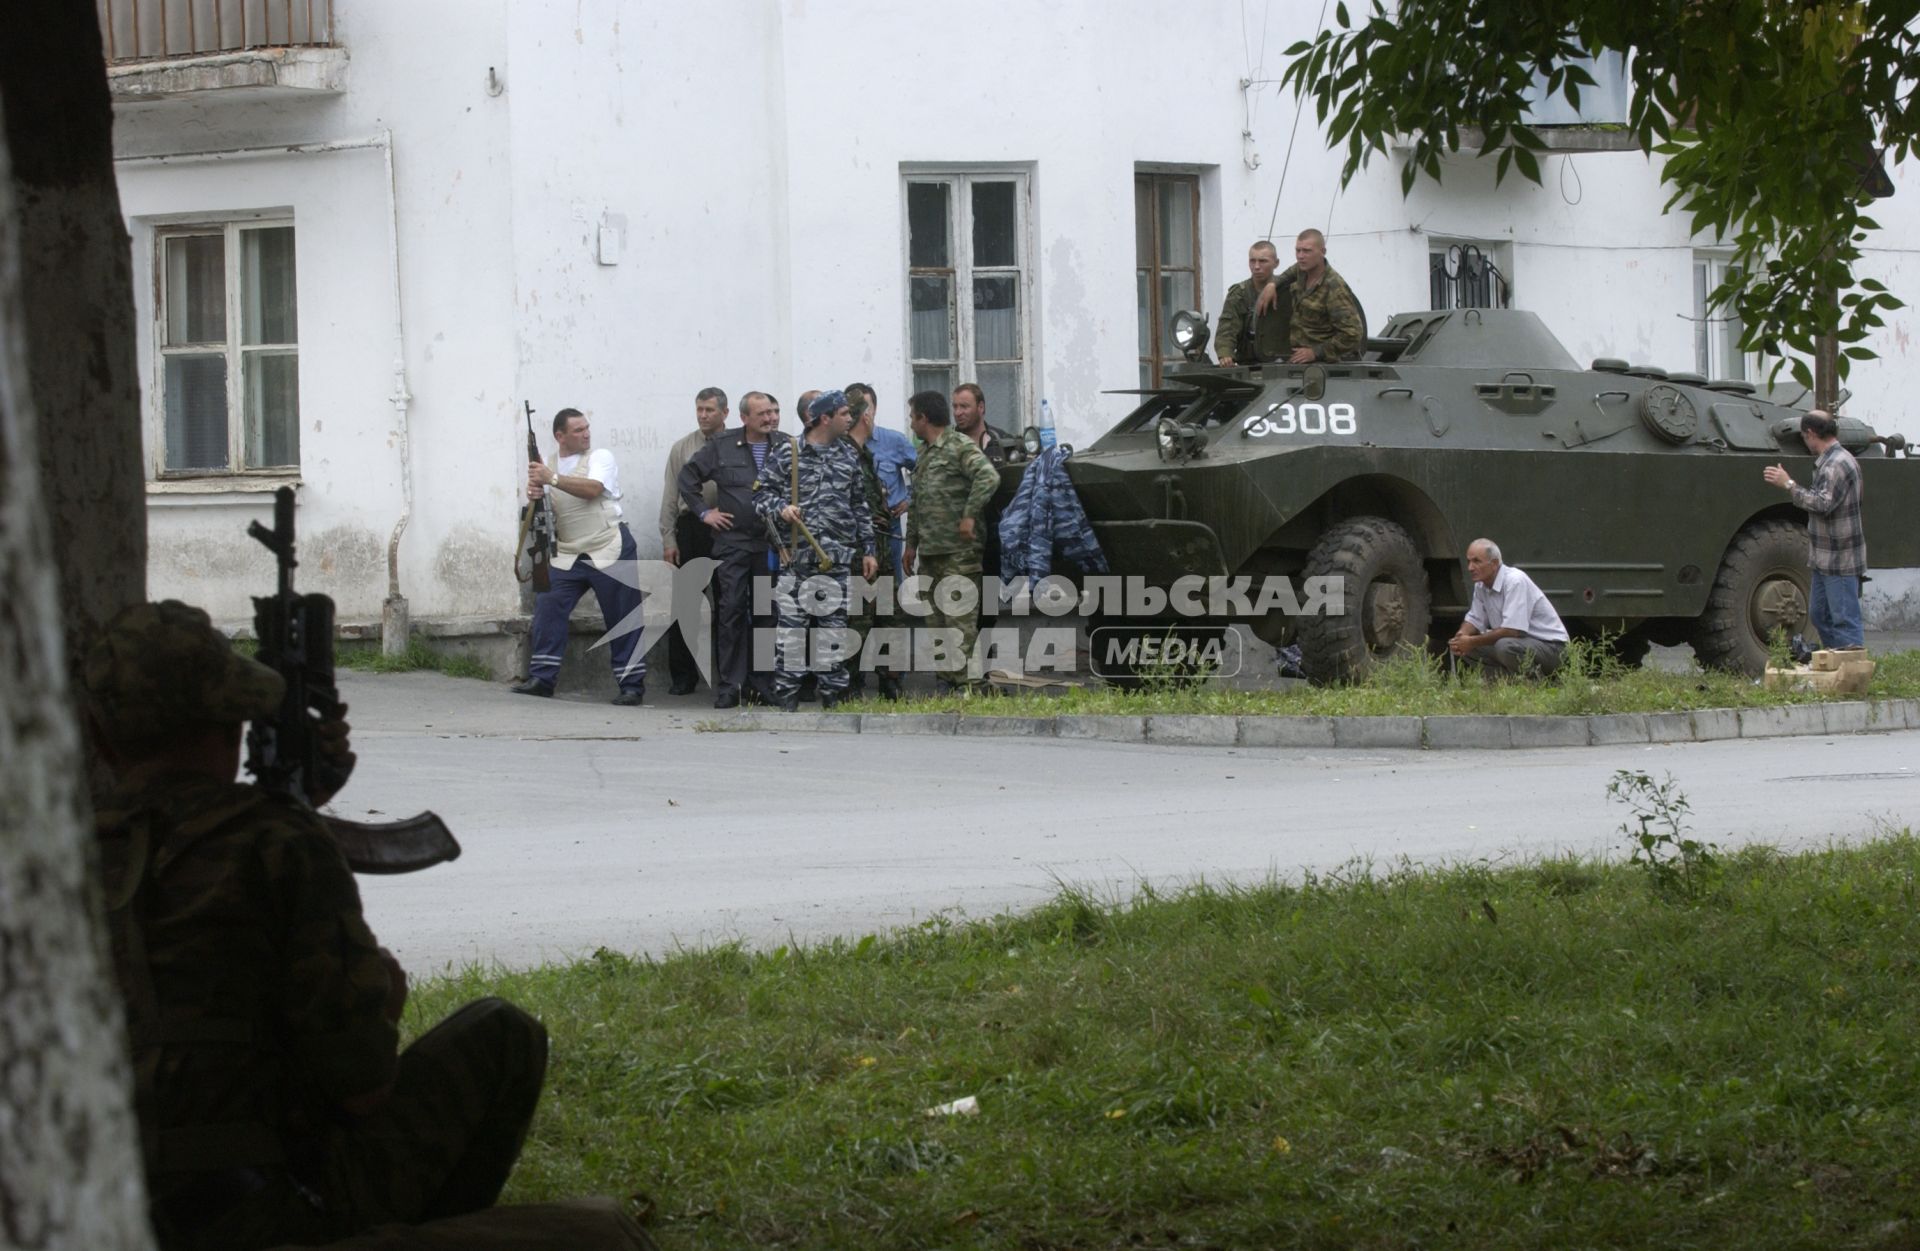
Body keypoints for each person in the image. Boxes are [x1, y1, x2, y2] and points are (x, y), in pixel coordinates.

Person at [87, 601, 548, 1251]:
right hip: (252, 1216)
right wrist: (384, 998)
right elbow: (361, 1086)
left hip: (86, 1207)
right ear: (235, 721)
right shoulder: (277, 843)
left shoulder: (43, 856)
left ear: (100, 736)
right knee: (503, 1034)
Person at [753, 390, 879, 710]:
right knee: (792, 631)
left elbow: (858, 505)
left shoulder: (847, 455)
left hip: (835, 558)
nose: (850, 419)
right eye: (844, 414)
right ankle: (787, 693)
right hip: (796, 559)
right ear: (825, 418)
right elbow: (759, 497)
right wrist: (781, 508)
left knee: (833, 631)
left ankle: (832, 694)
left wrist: (868, 549)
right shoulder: (789, 452)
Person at [514, 408, 647, 704]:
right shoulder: (547, 465)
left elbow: (593, 489)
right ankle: (542, 677)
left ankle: (632, 684)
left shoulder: (600, 458)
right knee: (548, 606)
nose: (586, 434)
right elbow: (543, 509)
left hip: (608, 545)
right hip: (569, 551)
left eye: (586, 428)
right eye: (578, 430)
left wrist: (551, 479)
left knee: (622, 615)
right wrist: (535, 495)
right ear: (560, 436)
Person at [678, 391, 786, 708]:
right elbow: (688, 478)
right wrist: (703, 512)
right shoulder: (722, 446)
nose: (770, 418)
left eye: (773, 412)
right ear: (744, 418)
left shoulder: (787, 446)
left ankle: (763, 683)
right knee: (731, 613)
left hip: (770, 544)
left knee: (767, 615)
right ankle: (731, 685)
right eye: (763, 414)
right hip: (734, 544)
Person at [904, 390, 1001, 692]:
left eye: (912, 416)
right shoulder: (923, 453)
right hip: (930, 552)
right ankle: (947, 680)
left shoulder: (959, 445)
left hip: (959, 553)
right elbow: (917, 502)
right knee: (936, 623)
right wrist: (910, 545)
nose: (910, 423)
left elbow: (989, 477)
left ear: (924, 418)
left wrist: (969, 516)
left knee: (960, 622)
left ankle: (971, 685)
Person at [1764, 408, 1866, 649]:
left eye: (1803, 436)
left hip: (1840, 557)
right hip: (1824, 557)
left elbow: (1823, 503)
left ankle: (1850, 669)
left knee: (1844, 619)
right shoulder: (1831, 461)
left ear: (1810, 434)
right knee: (1820, 614)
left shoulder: (1836, 464)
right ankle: (1836, 660)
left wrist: (1788, 484)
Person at [659, 387, 728, 696]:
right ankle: (683, 676)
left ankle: (729, 675)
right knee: (686, 604)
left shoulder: (736, 443)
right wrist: (668, 538)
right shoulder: (683, 448)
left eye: (709, 410)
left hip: (729, 528)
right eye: (699, 409)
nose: (702, 415)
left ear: (724, 413)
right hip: (692, 528)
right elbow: (670, 496)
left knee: (730, 603)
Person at [843, 384, 907, 699]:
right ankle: (849, 683)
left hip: (881, 547)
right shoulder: (843, 454)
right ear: (864, 418)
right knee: (858, 618)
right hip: (858, 552)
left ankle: (889, 681)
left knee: (889, 616)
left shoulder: (865, 453)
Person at [1218, 230, 1364, 366]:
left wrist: (1316, 352)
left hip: (1322, 364)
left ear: (1322, 252)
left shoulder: (1334, 287)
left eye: (1307, 251)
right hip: (1293, 361)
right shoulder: (1301, 271)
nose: (1300, 256)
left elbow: (1353, 335)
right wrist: (1273, 285)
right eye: (1297, 250)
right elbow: (1288, 273)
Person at [1448, 539, 1570, 679]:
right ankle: (1508, 685)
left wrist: (1471, 641)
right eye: (1469, 561)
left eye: (1476, 561)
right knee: (1469, 649)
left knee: (1505, 646)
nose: (1470, 567)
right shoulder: (1481, 585)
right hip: (1521, 644)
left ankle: (1537, 684)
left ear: (1494, 564)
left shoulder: (1515, 580)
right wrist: (1462, 636)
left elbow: (1512, 631)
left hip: (1553, 648)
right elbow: (1475, 619)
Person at [848, 381, 914, 578]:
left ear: (875, 409)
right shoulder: (840, 446)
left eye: (866, 407)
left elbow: (925, 471)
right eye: (856, 409)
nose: (863, 414)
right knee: (860, 592)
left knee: (888, 588)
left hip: (887, 527)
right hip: (855, 532)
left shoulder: (894, 441)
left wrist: (910, 499)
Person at [1214, 239, 1288, 366]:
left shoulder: (1287, 291)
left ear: (1276, 263)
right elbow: (1227, 327)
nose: (1257, 266)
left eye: (1263, 261)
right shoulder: (1239, 294)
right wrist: (1225, 353)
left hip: (1283, 363)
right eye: (1252, 261)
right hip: (1248, 363)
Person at [951, 382, 1017, 467]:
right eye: (955, 407)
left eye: (964, 406)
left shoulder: (1003, 441)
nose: (957, 413)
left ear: (981, 407)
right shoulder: (947, 444)